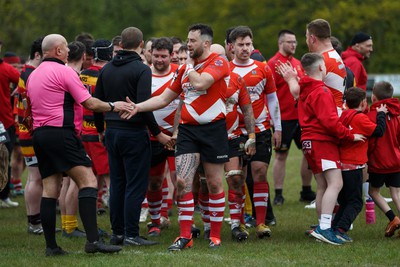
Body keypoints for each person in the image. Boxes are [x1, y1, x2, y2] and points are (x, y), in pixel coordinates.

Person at [131, 24, 230, 251]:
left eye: (192, 41)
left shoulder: (218, 62)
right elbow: (164, 98)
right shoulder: (185, 69)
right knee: (183, 182)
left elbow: (201, 83)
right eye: (187, 40)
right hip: (187, 131)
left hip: (213, 129)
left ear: (205, 43)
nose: (187, 45)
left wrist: (188, 66)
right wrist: (137, 107)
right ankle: (185, 236)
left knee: (214, 183)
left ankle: (215, 235)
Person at [26, 33, 126, 256]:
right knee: (88, 180)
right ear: (59, 51)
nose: (69, 52)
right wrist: (115, 105)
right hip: (61, 133)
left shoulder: (33, 75)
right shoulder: (65, 71)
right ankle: (93, 241)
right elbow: (89, 102)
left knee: (51, 188)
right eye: (66, 49)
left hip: (40, 135)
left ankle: (51, 247)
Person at [278, 52, 364, 245]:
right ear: (320, 68)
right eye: (324, 66)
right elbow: (330, 122)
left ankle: (321, 226)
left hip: (309, 141)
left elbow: (295, 90)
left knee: (323, 185)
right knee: (336, 183)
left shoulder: (304, 88)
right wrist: (350, 135)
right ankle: (325, 228)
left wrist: (291, 78)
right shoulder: (321, 91)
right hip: (321, 141)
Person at [94, 27, 165, 247]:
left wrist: (100, 129)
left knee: (117, 183)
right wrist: (158, 133)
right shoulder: (142, 69)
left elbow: (97, 103)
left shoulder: (106, 70)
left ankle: (117, 233)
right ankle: (132, 233)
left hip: (112, 132)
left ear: (121, 44)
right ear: (142, 44)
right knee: (135, 184)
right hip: (134, 132)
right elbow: (143, 106)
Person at [229, 26, 281, 238]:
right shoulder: (225, 70)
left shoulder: (263, 68)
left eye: (248, 44)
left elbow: (272, 99)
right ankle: (239, 221)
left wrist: (278, 127)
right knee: (237, 178)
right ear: (231, 47)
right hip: (234, 132)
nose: (245, 48)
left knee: (259, 172)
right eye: (240, 45)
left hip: (260, 130)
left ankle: (261, 223)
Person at [332, 87, 387, 242]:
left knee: (345, 201)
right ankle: (341, 230)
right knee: (356, 202)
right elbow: (379, 131)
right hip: (354, 166)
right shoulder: (360, 118)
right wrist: (381, 114)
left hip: (341, 165)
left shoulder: (342, 115)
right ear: (363, 102)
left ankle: (334, 227)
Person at [268, 29, 315, 206]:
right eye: (290, 42)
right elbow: (269, 93)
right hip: (283, 118)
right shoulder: (273, 64)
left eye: (295, 41)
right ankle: (278, 193)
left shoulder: (297, 63)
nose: (294, 44)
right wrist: (272, 118)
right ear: (281, 43)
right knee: (281, 155)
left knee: (308, 153)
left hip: (302, 117)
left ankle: (306, 190)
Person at [146, 37, 179, 237]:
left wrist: (176, 131)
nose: (159, 60)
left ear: (171, 55)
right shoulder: (143, 73)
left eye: (163, 56)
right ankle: (156, 221)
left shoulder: (180, 72)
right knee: (155, 181)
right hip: (153, 137)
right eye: (156, 56)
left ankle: (187, 222)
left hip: (177, 136)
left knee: (181, 180)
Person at [80, 39, 114, 216]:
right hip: (101, 131)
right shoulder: (107, 74)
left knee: (91, 175)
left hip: (84, 131)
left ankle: (94, 207)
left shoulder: (82, 74)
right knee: (110, 177)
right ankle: (117, 215)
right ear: (110, 54)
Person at [16, 36, 45, 234]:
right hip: (29, 133)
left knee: (34, 178)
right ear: (37, 55)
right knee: (36, 177)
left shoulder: (27, 72)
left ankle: (33, 221)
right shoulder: (29, 74)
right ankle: (34, 222)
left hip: (26, 131)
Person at [366, 81, 400, 238]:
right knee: (396, 194)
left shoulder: (372, 115)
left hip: (378, 162)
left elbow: (371, 142)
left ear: (373, 97)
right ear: (392, 97)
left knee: (373, 191)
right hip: (396, 160)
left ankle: (393, 218)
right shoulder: (398, 114)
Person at [0, 41, 20, 208]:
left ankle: (4, 196)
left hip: (5, 121)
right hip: (5, 121)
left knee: (4, 159)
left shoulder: (6, 69)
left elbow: (24, 82)